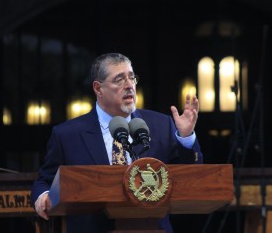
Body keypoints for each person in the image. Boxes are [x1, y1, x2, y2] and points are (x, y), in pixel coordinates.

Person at [31, 52, 203, 233]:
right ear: (98, 89)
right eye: (119, 80)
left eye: (131, 77)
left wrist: (186, 137)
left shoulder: (161, 125)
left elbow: (192, 177)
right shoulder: (67, 134)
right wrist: (43, 197)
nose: (129, 85)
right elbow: (44, 180)